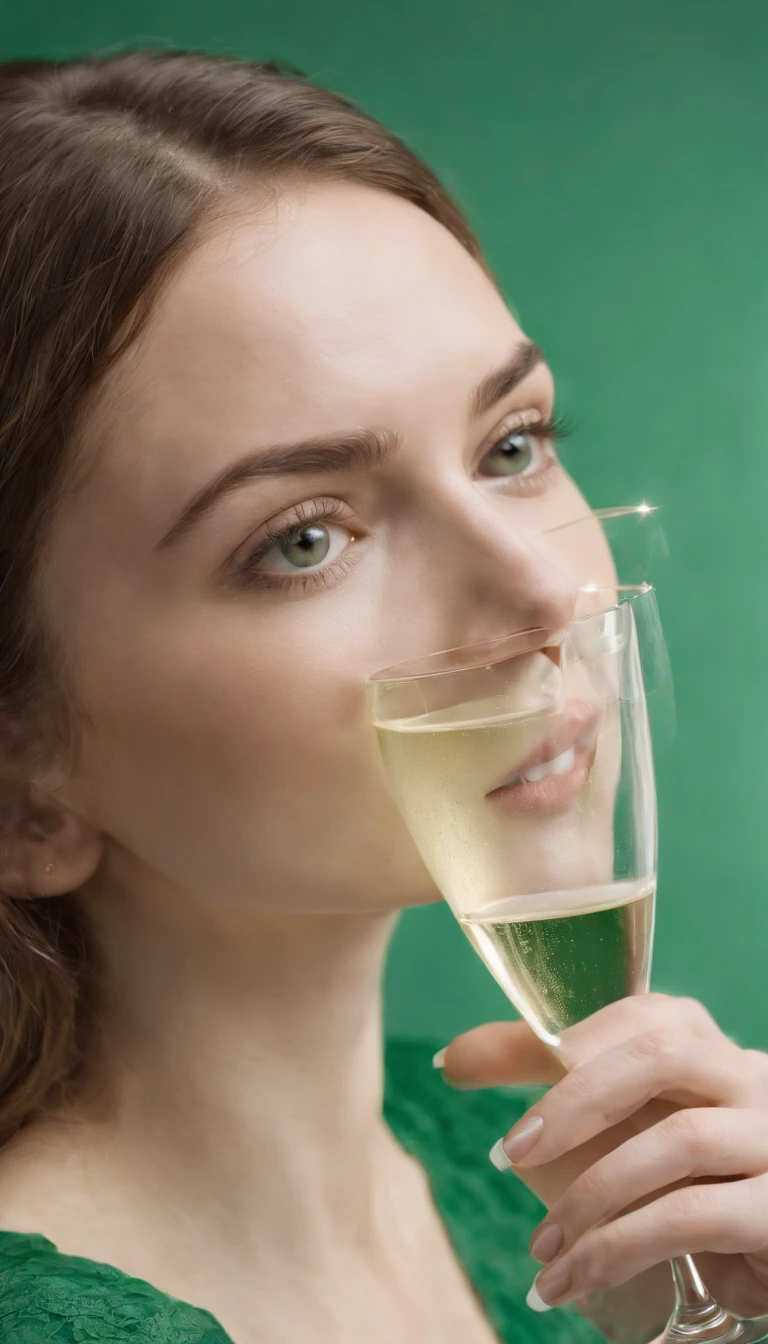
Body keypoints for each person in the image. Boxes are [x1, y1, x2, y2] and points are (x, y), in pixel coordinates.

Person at [0, 50, 766, 1344]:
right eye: (305, 538)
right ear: (22, 782)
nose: (544, 594)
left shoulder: (543, 1174)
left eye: (512, 447)